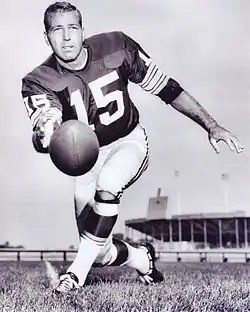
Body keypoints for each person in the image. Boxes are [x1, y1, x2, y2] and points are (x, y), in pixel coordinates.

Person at [21, 2, 243, 294]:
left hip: (129, 141)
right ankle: (141, 258)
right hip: (88, 158)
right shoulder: (39, 81)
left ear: (82, 30)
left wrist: (211, 124)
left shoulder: (116, 47)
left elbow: (168, 88)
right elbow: (46, 128)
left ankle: (74, 275)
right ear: (46, 36)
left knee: (109, 184)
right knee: (99, 252)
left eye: (72, 28)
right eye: (57, 30)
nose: (66, 37)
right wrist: (45, 134)